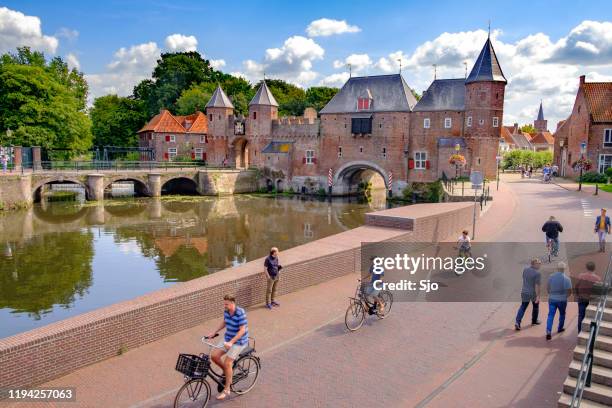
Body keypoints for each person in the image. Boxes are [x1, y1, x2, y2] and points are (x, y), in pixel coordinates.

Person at [208, 294, 249, 401]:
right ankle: (227, 372)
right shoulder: (226, 311)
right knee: (214, 356)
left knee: (227, 362)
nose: (224, 306)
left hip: (238, 341)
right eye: (224, 304)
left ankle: (227, 389)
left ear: (232, 303)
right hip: (227, 338)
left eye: (226, 304)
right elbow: (224, 322)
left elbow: (242, 330)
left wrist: (231, 342)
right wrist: (214, 332)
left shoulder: (240, 312)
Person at [546, 262, 572, 340]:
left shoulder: (551, 277)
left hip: (552, 299)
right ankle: (560, 328)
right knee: (562, 314)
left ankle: (548, 330)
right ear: (564, 269)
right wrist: (566, 296)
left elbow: (547, 287)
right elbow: (570, 291)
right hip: (562, 300)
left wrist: (550, 294)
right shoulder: (567, 279)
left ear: (557, 268)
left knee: (550, 315)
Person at [515, 258, 542, 330]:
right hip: (533, 293)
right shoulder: (537, 273)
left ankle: (517, 322)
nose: (540, 265)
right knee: (536, 306)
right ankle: (534, 321)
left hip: (524, 292)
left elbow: (524, 278)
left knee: (523, 307)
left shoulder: (525, 269)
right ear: (534, 264)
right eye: (538, 263)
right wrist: (538, 296)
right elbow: (537, 286)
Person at [575, 261, 602, 332]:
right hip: (591, 300)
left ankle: (579, 331)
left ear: (586, 267)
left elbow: (576, 286)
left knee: (581, 315)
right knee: (591, 316)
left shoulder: (581, 276)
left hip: (581, 298)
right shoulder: (598, 279)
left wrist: (577, 294)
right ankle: (589, 331)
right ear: (594, 268)